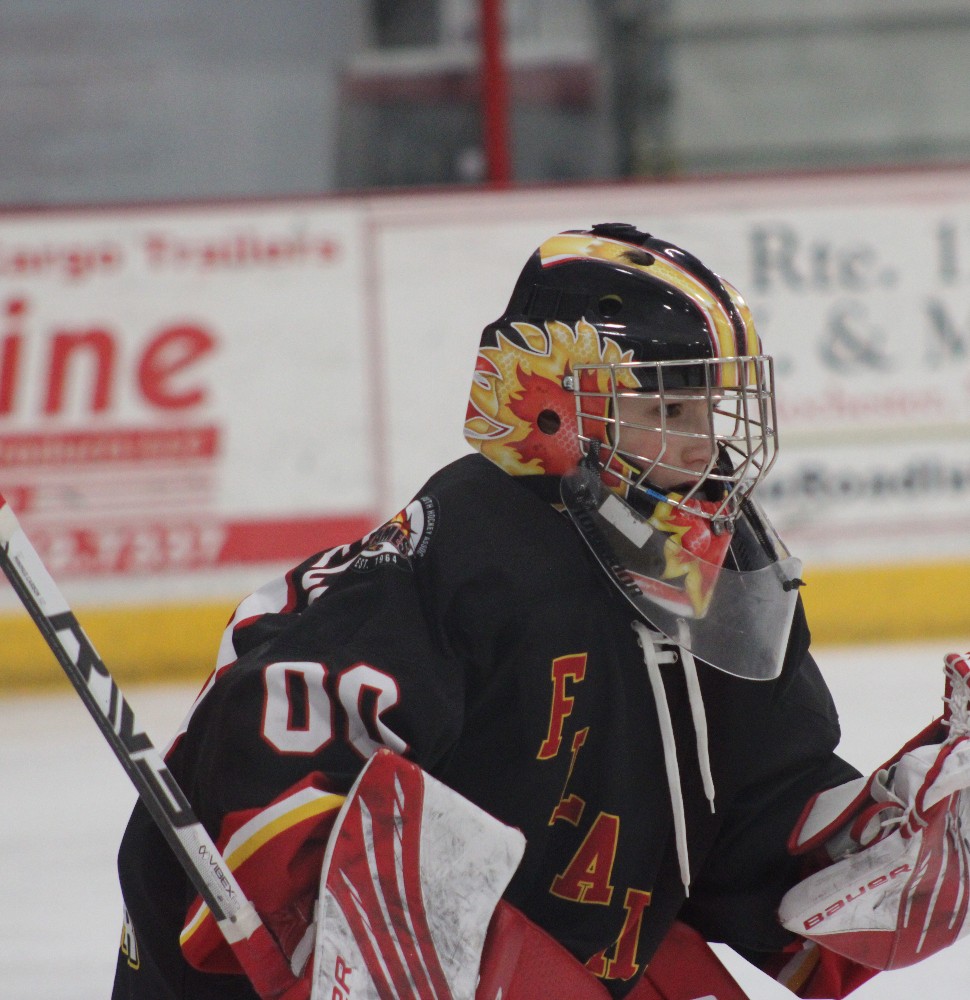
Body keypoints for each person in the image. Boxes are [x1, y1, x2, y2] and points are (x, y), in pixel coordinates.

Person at [112, 223, 905, 999]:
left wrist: (898, 845)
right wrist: (321, 903)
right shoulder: (475, 546)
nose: (704, 447)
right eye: (669, 414)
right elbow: (267, 733)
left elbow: (752, 815)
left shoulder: (710, 565)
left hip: (557, 947)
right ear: (554, 410)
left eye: (709, 408)